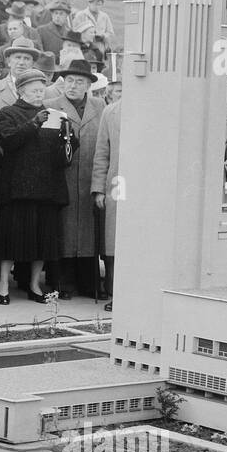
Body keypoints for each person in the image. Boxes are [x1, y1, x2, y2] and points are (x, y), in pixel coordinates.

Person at [0, 68, 77, 304]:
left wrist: (68, 135)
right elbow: (8, 141)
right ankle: (2, 284)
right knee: (11, 240)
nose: (40, 94)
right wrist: (33, 124)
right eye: (34, 90)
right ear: (21, 91)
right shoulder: (8, 112)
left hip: (48, 188)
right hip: (18, 188)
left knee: (43, 240)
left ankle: (34, 285)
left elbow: (65, 154)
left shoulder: (54, 114)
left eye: (42, 89)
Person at [44, 58, 105, 298]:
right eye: (69, 80)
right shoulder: (51, 105)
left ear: (88, 85)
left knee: (89, 231)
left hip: (91, 175)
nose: (73, 86)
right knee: (65, 230)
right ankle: (61, 282)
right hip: (62, 178)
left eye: (79, 81)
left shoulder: (100, 106)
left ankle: (89, 282)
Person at [90, 88, 122, 311]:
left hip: (147, 187)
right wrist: (99, 189)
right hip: (117, 184)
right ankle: (115, 293)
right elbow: (102, 152)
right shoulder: (110, 112)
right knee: (113, 241)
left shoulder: (155, 110)